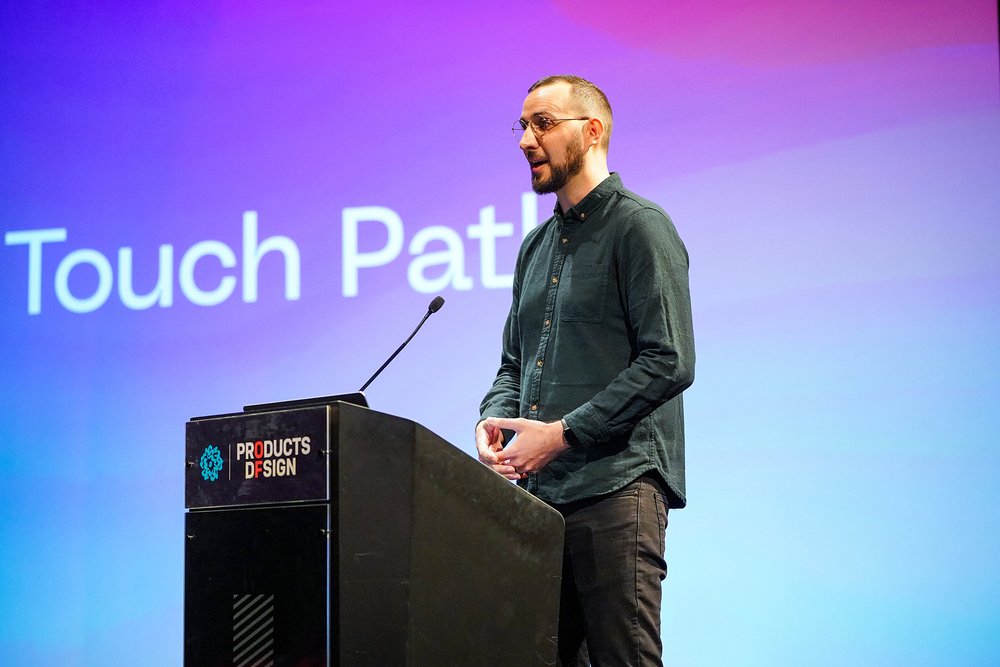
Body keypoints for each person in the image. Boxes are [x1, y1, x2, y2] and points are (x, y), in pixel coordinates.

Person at [476, 75, 696, 666]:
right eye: (521, 126)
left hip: (616, 490)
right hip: (539, 504)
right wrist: (493, 421)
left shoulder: (639, 226)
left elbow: (669, 359)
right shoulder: (534, 247)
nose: (526, 139)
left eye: (543, 124)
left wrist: (563, 434)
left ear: (591, 131)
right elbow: (513, 364)